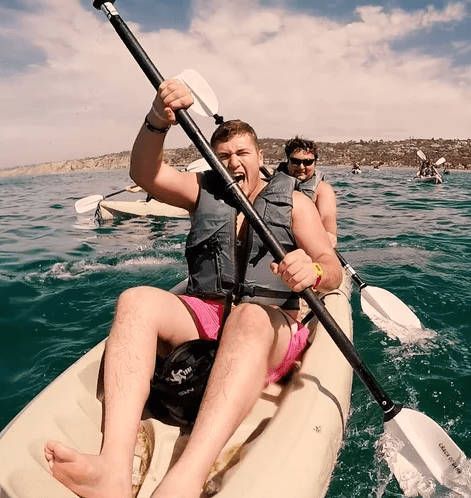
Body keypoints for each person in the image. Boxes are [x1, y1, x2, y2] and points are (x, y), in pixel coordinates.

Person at [44, 79, 342, 498]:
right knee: (137, 300)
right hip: (208, 318)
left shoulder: (295, 203)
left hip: (268, 326)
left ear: (260, 157)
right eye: (223, 156)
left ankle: (184, 479)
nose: (233, 162)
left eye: (241, 153)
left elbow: (332, 267)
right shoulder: (204, 190)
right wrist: (156, 120)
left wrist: (312, 268)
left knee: (249, 315)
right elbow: (144, 173)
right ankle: (110, 468)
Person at [277, 136, 338, 247]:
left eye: (308, 162)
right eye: (295, 161)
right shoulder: (271, 184)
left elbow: (327, 219)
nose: (301, 167)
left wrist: (329, 236)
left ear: (315, 163)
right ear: (287, 161)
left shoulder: (323, 190)